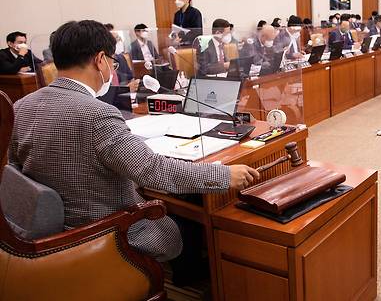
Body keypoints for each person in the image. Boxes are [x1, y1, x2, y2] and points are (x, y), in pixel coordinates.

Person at [9, 19, 259, 263]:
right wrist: (224, 176)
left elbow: (16, 169)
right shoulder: (97, 113)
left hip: (50, 232)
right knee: (187, 224)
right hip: (106, 230)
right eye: (113, 63)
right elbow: (151, 170)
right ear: (100, 60)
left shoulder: (21, 105)